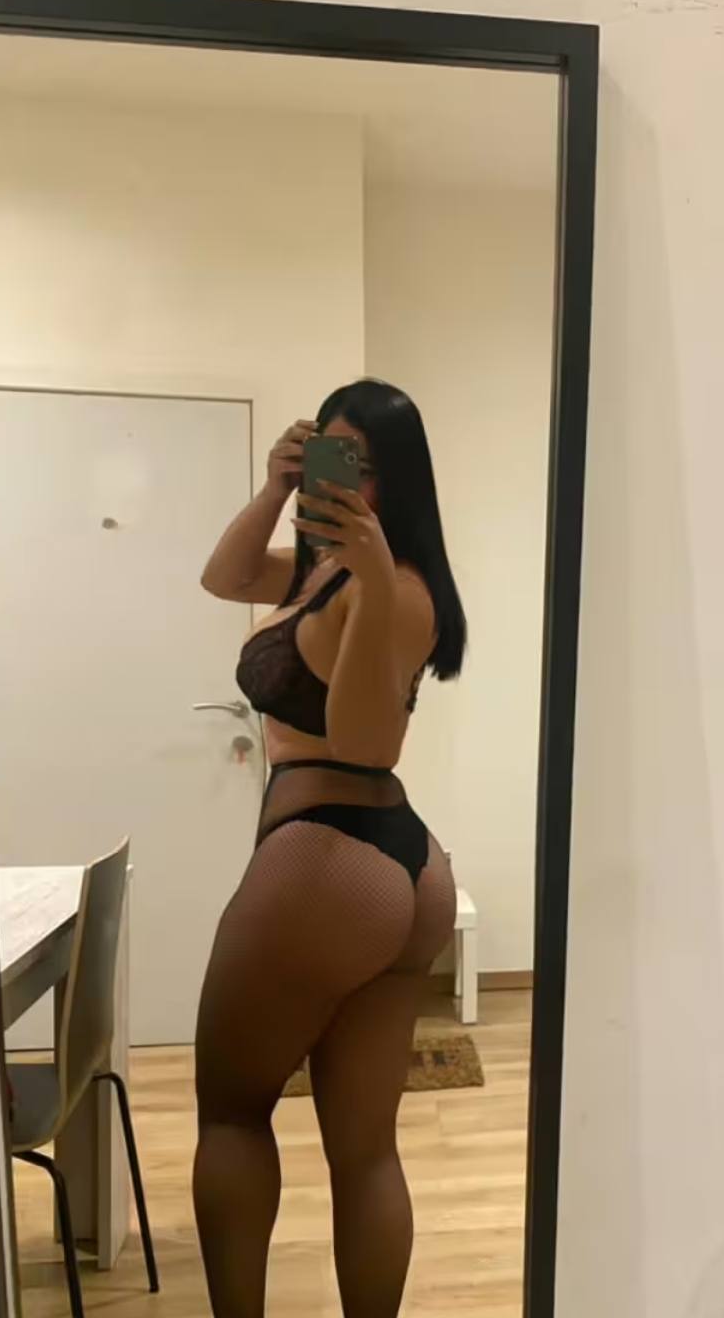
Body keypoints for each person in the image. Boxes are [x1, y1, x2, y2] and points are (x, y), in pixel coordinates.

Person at [193, 378, 465, 1318]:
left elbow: (365, 744)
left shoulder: (402, 591)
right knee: (365, 1150)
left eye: (367, 467)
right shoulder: (320, 571)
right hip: (395, 865)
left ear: (403, 482)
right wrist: (275, 488)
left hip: (329, 858)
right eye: (332, 457)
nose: (348, 483)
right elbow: (226, 577)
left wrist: (379, 579)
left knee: (233, 1115)